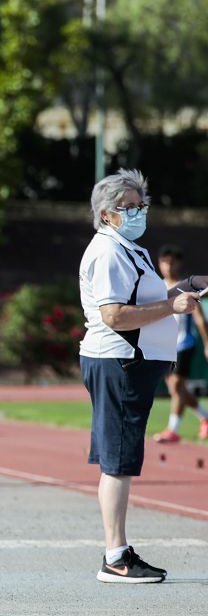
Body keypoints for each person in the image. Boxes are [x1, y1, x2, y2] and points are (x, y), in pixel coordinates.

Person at [78, 169, 204, 583]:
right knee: (117, 460)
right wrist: (174, 307)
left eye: (140, 205)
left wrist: (183, 288)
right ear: (105, 213)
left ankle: (118, 551)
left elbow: (145, 301)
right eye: (127, 207)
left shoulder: (130, 249)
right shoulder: (109, 252)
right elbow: (114, 315)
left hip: (129, 363)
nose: (136, 212)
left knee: (121, 458)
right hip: (119, 361)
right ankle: (115, 557)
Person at [153, 244, 208, 443]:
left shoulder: (186, 287)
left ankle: (173, 430)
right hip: (163, 345)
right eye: (164, 262)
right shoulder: (156, 286)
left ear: (179, 264)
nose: (168, 266)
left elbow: (200, 318)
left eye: (171, 262)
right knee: (177, 390)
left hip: (184, 344)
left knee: (176, 386)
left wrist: (207, 342)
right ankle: (205, 417)